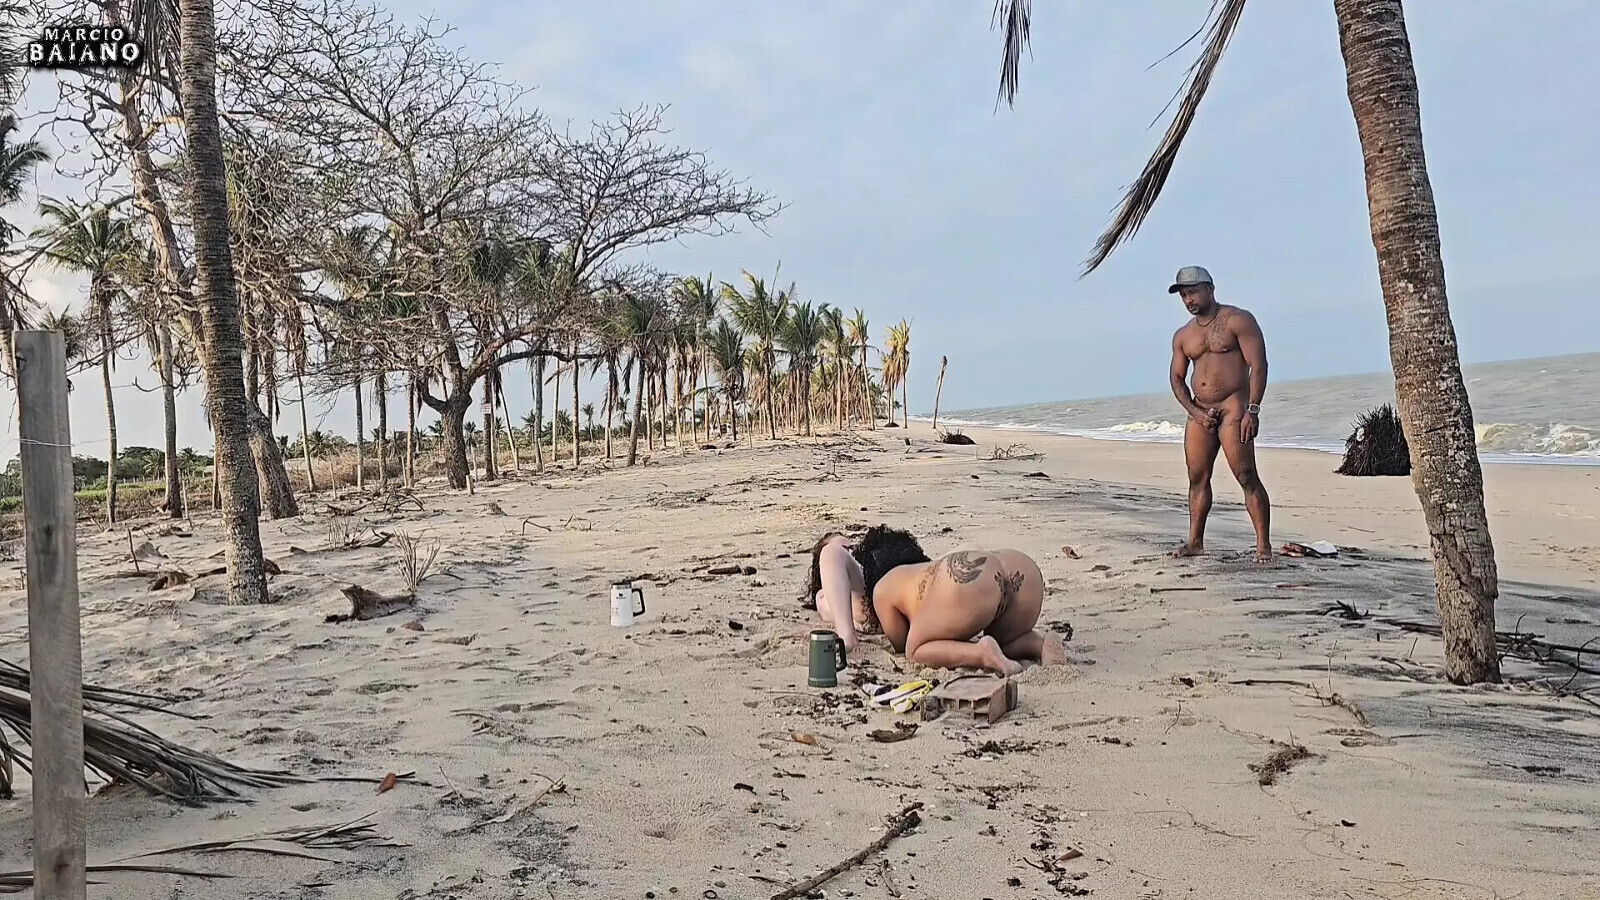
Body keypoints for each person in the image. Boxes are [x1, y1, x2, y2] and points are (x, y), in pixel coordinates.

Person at [803, 525, 1065, 676]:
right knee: (1007, 641)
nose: (848, 545)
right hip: (1018, 568)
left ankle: (981, 654)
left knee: (915, 650)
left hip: (964, 586)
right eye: (842, 543)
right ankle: (1038, 644)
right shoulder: (851, 578)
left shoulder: (884, 587)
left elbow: (902, 642)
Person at [1166, 266, 1272, 563]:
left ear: (1210, 289)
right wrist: (1195, 412)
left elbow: (1259, 365)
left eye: (1193, 291)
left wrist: (1253, 409)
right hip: (1200, 413)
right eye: (1184, 294)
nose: (1188, 299)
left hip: (1234, 407)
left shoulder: (1238, 320)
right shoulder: (1183, 336)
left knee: (1246, 475)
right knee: (1197, 477)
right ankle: (1195, 542)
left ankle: (1263, 546)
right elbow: (1176, 378)